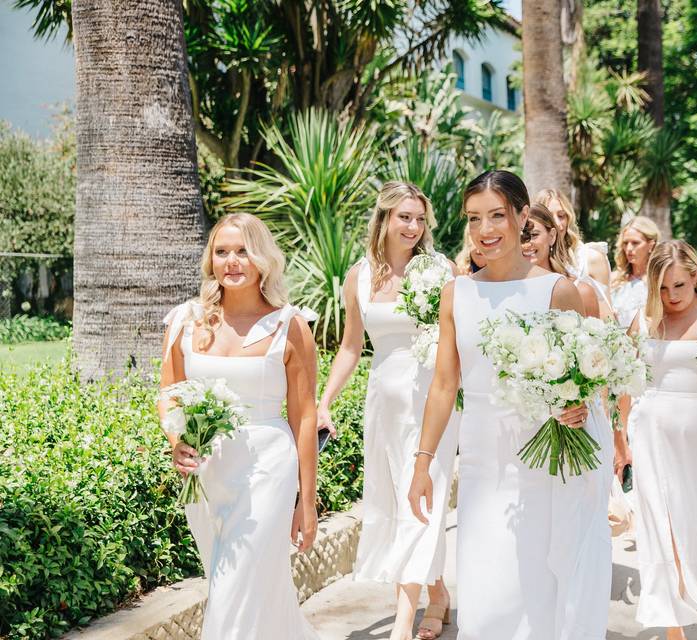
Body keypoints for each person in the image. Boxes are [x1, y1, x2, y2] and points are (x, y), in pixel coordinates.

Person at [408, 170, 599, 639]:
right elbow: (443, 384)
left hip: (543, 460)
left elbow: (583, 380)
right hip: (480, 460)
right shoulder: (457, 293)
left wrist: (574, 407)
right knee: (485, 584)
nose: (485, 230)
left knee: (537, 581)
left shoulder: (558, 291)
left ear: (520, 216)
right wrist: (423, 462)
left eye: (496, 215)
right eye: (474, 219)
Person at [158, 213, 319, 639]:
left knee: (234, 587)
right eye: (222, 251)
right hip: (206, 472)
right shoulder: (185, 321)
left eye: (243, 251)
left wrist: (308, 500)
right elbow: (169, 392)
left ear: (263, 258)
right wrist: (178, 440)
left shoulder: (290, 326)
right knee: (233, 581)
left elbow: (304, 417)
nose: (231, 261)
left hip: (267, 467)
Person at [317, 182, 459, 640]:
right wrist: (324, 402)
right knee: (402, 501)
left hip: (431, 400)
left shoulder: (441, 270)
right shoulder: (357, 276)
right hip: (384, 400)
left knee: (423, 500)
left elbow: (459, 342)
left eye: (420, 219)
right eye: (404, 217)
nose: (414, 227)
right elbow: (350, 348)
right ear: (383, 218)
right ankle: (437, 595)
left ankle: (401, 625)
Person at [619, 240, 697, 640]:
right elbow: (625, 381)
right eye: (661, 288)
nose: (671, 297)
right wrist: (621, 441)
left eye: (678, 285)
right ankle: (673, 626)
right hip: (652, 434)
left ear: (694, 275)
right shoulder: (643, 321)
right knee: (663, 530)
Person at [520, 202, 613, 638]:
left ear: (553, 234)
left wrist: (576, 398)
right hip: (525, 428)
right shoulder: (499, 293)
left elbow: (597, 362)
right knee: (537, 538)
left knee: (574, 535)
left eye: (533, 232)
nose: (526, 242)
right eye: (519, 233)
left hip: (576, 422)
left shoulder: (582, 290)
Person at [535, 188, 611, 291]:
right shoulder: (530, 261)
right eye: (549, 217)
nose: (557, 223)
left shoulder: (590, 259)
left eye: (561, 216)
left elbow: (605, 306)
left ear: (568, 218)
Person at [610, 216, 660, 327]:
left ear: (651, 245)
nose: (628, 248)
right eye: (625, 243)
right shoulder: (613, 279)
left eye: (635, 243)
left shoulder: (660, 280)